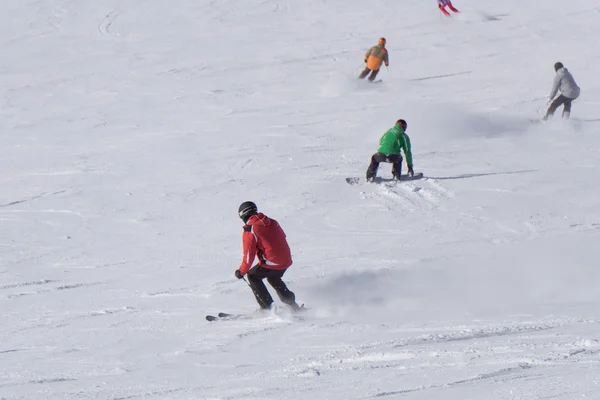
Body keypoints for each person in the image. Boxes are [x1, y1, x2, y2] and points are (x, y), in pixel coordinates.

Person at [234, 201, 301, 311]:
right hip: (286, 260)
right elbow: (283, 236)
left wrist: (241, 272)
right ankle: (293, 305)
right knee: (273, 277)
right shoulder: (272, 222)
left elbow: (248, 257)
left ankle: (268, 308)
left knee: (252, 276)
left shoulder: (250, 230)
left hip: (273, 262)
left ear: (243, 215)